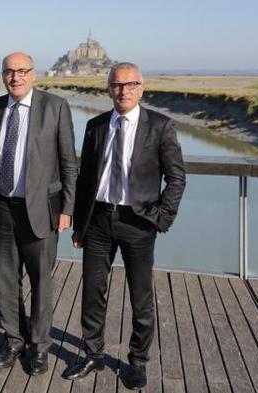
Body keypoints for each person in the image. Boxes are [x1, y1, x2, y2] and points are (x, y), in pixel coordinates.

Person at [63, 62, 185, 390]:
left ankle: (138, 361)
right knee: (92, 291)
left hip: (138, 221)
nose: (123, 91)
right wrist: (79, 224)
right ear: (108, 90)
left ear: (141, 88)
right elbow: (85, 177)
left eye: (130, 85)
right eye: (117, 85)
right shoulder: (96, 125)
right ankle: (93, 354)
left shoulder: (160, 126)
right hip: (99, 220)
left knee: (141, 295)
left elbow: (176, 178)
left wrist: (162, 217)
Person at [0, 52, 78, 375]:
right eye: (9, 71)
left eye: (22, 71)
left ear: (34, 74)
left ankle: (39, 347)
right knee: (6, 281)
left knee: (41, 283)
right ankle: (13, 340)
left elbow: (68, 163)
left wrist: (67, 208)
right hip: (1, 209)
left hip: (40, 212)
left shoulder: (55, 107)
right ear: (2, 75)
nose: (16, 77)